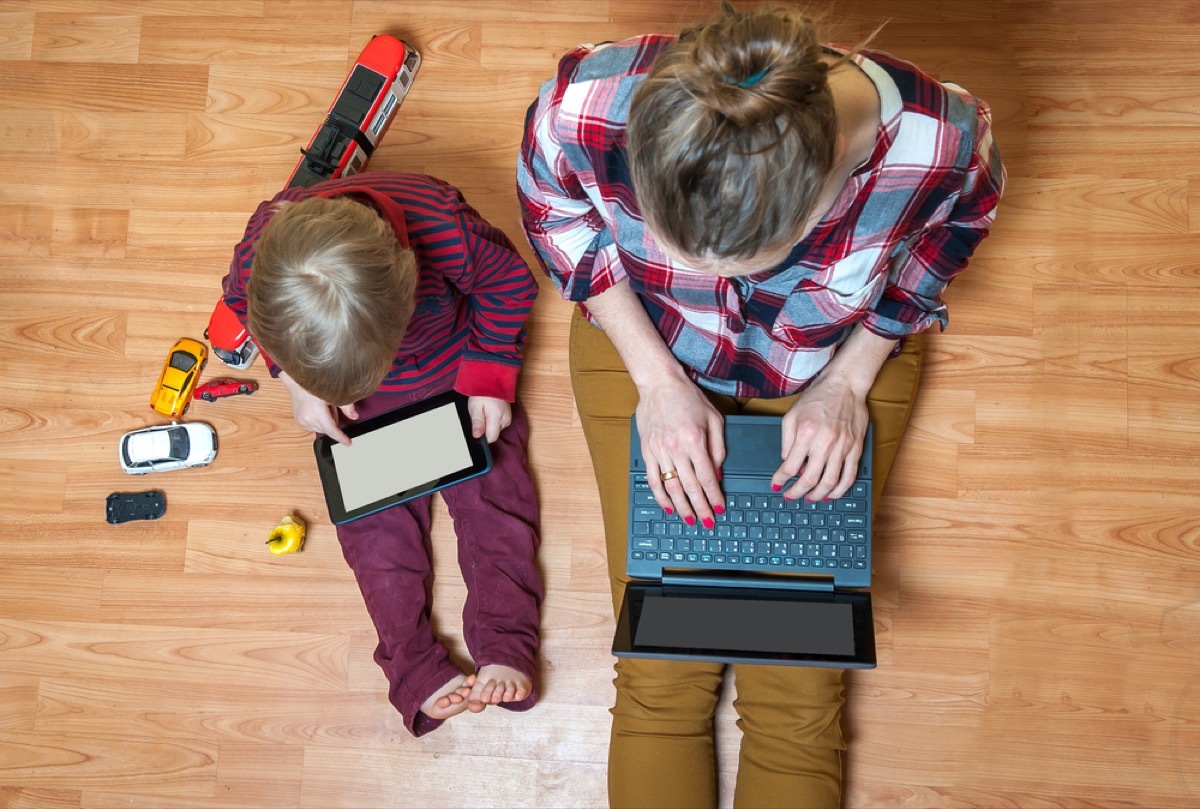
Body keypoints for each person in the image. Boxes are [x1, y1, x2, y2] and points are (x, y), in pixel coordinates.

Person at [518, 3, 1004, 806]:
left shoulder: (941, 138)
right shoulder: (584, 101)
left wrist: (849, 381)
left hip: (836, 362)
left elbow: (957, 229)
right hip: (644, 346)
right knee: (660, 671)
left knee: (799, 695)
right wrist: (657, 379)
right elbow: (555, 214)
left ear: (824, 195)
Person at [221, 172, 543, 737]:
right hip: (363, 408)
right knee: (375, 537)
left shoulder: (444, 225)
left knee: (497, 502)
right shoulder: (257, 256)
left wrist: (491, 376)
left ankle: (505, 641)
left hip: (456, 378)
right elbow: (236, 302)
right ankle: (413, 668)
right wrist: (295, 383)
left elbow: (510, 285)